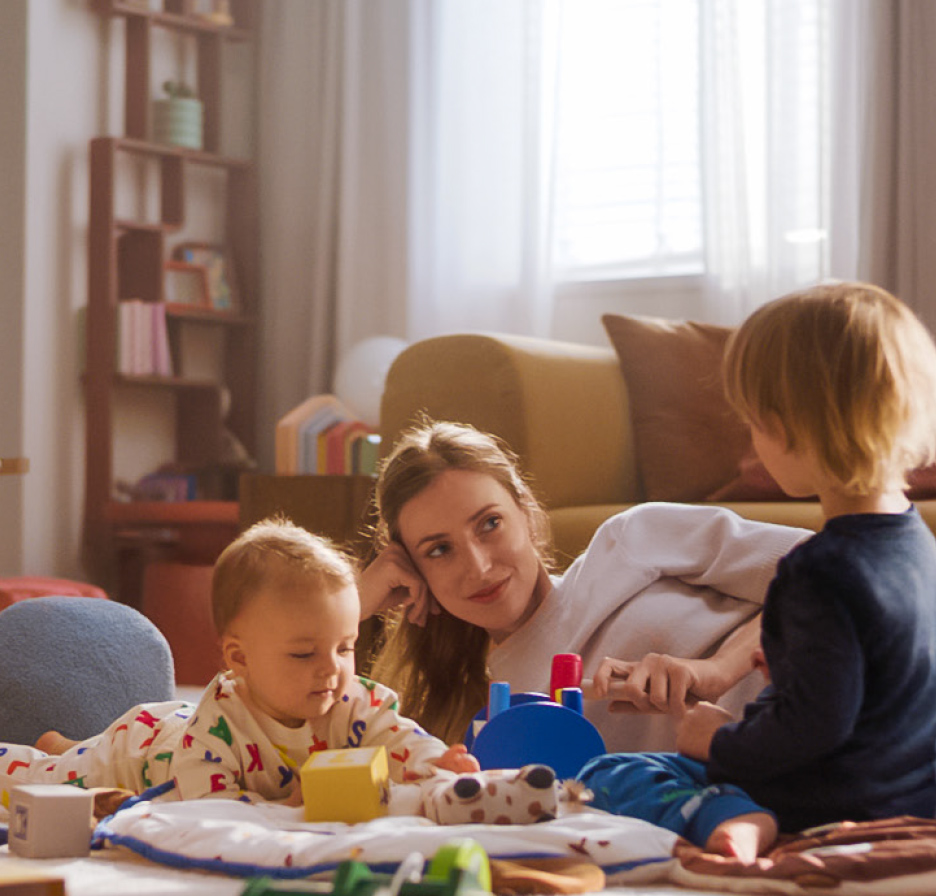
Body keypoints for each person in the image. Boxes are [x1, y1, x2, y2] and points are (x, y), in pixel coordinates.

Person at [359, 418, 810, 858]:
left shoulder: (632, 542)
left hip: (843, 711)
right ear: (416, 574)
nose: (477, 566)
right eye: (439, 551)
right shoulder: (494, 725)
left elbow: (836, 574)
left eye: (489, 524)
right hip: (774, 802)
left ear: (524, 509)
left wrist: (716, 670)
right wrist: (355, 606)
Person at [673, 280, 936, 834]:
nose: (750, 443)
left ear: (791, 427)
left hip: (833, 806)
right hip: (913, 801)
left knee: (626, 775)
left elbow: (815, 726)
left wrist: (717, 739)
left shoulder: (817, 569)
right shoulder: (920, 544)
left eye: (754, 421)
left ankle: (745, 827)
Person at [0, 518, 475, 810]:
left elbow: (399, 739)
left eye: (345, 647)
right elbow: (209, 809)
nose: (331, 669)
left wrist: (440, 763)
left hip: (171, 730)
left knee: (71, 751)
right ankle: (56, 750)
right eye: (303, 653)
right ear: (239, 658)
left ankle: (64, 741)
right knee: (49, 780)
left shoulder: (353, 700)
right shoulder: (220, 725)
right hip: (144, 751)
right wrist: (288, 808)